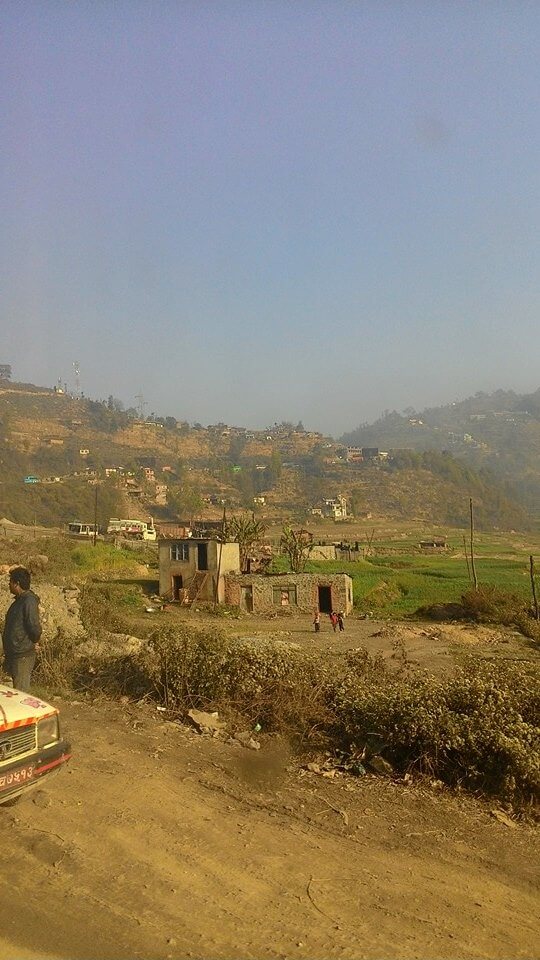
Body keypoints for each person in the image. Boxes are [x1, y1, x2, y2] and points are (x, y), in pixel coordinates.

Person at [2, 567, 42, 692]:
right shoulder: (19, 601)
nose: (8, 584)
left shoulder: (28, 601)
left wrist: (34, 641)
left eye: (10, 582)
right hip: (15, 653)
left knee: (21, 695)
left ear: (16, 583)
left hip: (23, 655)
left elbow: (34, 626)